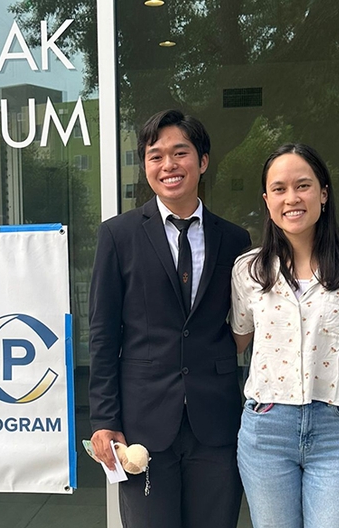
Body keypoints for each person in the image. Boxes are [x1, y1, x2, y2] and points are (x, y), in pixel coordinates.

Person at [88, 109, 251, 528]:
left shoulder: (234, 239)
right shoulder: (118, 235)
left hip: (215, 422)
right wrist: (105, 419)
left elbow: (253, 314)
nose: (168, 165)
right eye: (155, 155)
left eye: (180, 153)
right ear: (145, 165)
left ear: (203, 161)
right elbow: (104, 333)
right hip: (143, 423)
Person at [230, 143, 339, 528]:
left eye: (303, 185)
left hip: (338, 433)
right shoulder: (249, 271)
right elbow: (234, 341)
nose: (292, 198)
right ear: (267, 200)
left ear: (323, 193)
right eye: (279, 188)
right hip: (266, 432)